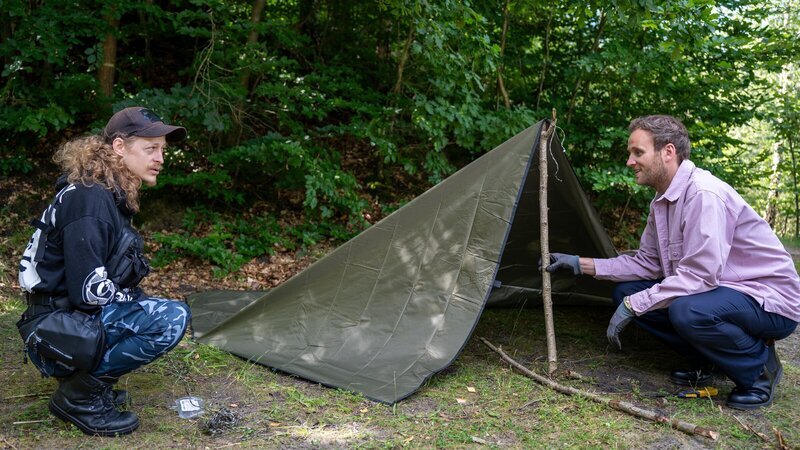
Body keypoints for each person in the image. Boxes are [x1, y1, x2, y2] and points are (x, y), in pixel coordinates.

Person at [546, 115, 799, 410]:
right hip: (722, 291)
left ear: (668, 152)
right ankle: (708, 362)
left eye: (637, 152)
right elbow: (647, 264)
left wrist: (635, 305)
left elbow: (700, 277)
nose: (630, 161)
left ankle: (759, 370)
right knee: (627, 292)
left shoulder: (704, 194)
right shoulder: (662, 202)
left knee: (686, 309)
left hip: (769, 300)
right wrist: (580, 264)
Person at [17, 106, 191, 435]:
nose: (160, 158)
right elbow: (89, 292)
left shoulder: (101, 192)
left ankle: (85, 382)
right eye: (150, 148)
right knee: (171, 318)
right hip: (55, 331)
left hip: (62, 322)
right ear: (120, 147)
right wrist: (135, 302)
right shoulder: (90, 198)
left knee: (143, 304)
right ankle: (80, 396)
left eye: (162, 150)